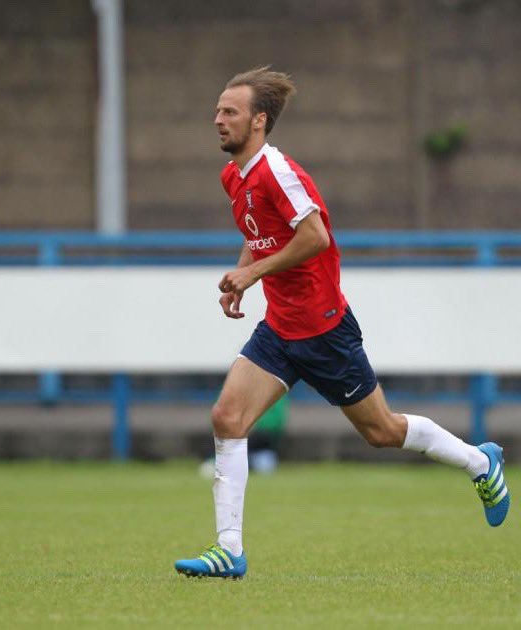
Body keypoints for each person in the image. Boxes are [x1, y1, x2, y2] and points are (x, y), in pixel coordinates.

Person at [175, 67, 510, 579]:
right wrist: (245, 274)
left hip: (325, 329)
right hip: (281, 330)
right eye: (218, 110)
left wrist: (251, 275)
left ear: (259, 121)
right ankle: (229, 550)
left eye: (230, 112)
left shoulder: (278, 172)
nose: (217, 119)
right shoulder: (234, 176)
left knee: (382, 431)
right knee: (228, 418)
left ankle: (481, 464)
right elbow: (262, 232)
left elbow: (314, 237)